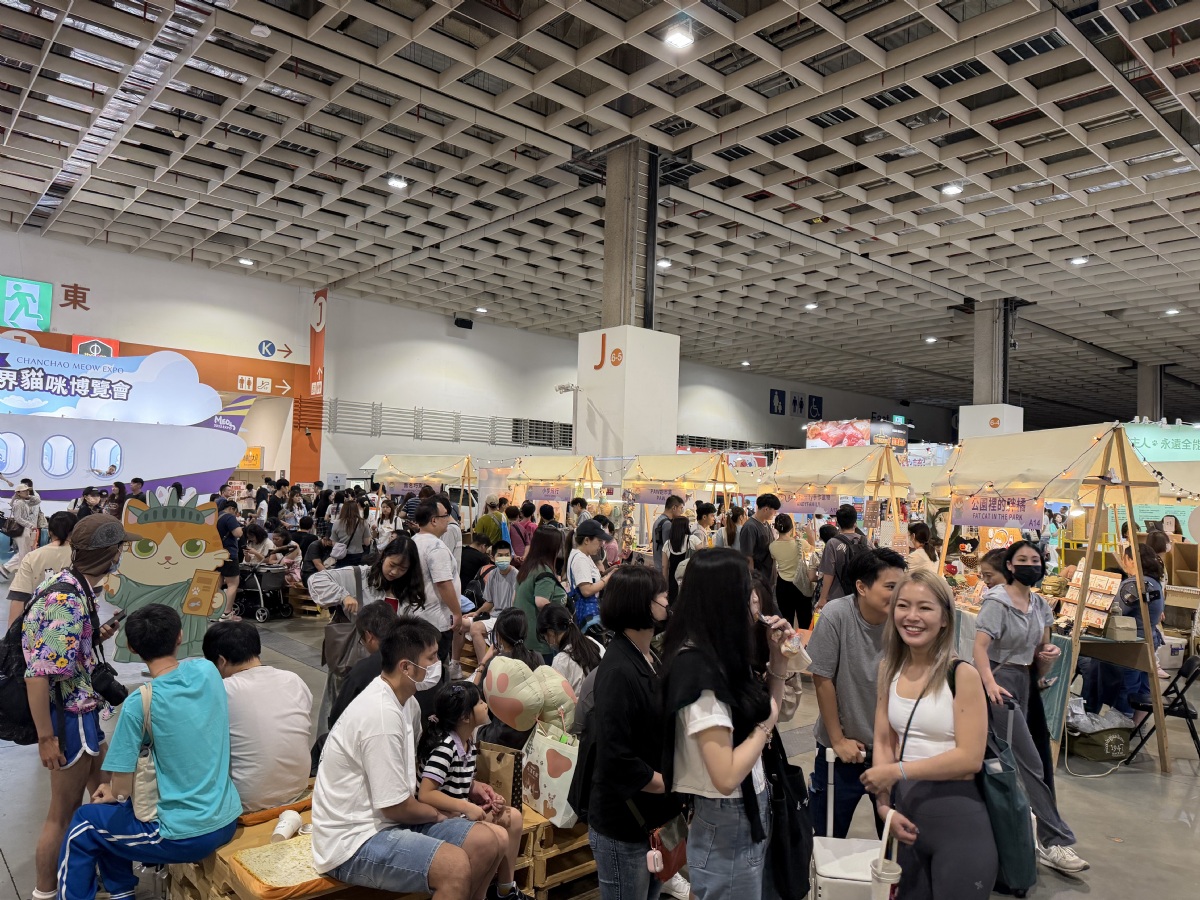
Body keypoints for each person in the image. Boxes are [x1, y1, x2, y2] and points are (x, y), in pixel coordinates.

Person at [57, 604, 241, 900]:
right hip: (227, 818)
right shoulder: (207, 671)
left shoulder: (139, 703)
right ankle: (121, 895)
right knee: (110, 820)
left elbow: (121, 789)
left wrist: (110, 790)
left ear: (131, 647)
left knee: (85, 824)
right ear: (180, 636)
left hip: (181, 835)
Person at [311, 618, 505, 897]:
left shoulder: (408, 703)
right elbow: (395, 807)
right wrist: (443, 813)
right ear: (406, 667)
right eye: (431, 658)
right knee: (454, 866)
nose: (438, 664)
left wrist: (467, 789)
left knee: (489, 840)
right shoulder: (381, 716)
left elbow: (413, 777)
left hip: (391, 819)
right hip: (354, 839)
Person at [661, 549, 789, 899]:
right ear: (724, 600)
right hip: (728, 812)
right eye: (746, 590)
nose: (755, 600)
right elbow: (726, 775)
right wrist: (764, 728)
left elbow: (768, 710)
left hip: (744, 807)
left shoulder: (720, 655)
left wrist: (778, 661)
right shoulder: (700, 672)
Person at [860, 571, 996, 898]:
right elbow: (884, 740)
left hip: (959, 823)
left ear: (945, 618)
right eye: (903, 606)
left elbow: (970, 758)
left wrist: (897, 771)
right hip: (905, 817)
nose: (912, 616)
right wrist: (883, 807)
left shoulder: (961, 674)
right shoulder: (889, 668)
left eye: (925, 608)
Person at [21, 514, 132, 900]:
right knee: (62, 813)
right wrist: (46, 738)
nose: (122, 555)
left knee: (106, 791)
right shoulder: (67, 599)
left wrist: (93, 636)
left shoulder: (67, 584)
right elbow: (37, 675)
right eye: (121, 548)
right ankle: (46, 892)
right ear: (110, 553)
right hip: (69, 718)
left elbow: (60, 650)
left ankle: (97, 874)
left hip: (81, 712)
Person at [570, 565, 685, 900]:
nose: (667, 602)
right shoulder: (619, 670)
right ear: (640, 604)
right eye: (661, 595)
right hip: (625, 823)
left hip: (655, 817)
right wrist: (669, 782)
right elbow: (616, 757)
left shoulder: (649, 655)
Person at [972, 540, 1087, 874]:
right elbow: (980, 648)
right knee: (1029, 762)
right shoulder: (997, 601)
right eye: (1021, 559)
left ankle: (1023, 834)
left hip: (1026, 681)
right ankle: (1054, 840)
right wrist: (989, 684)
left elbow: (1040, 650)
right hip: (1000, 683)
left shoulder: (1039, 604)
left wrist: (1048, 656)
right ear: (1010, 565)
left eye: (1035, 559)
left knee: (1021, 763)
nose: (1029, 565)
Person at [807, 547, 907, 838]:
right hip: (842, 754)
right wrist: (838, 740)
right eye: (891, 587)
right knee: (826, 839)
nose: (899, 596)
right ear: (862, 587)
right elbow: (822, 678)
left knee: (895, 844)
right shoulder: (837, 615)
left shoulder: (905, 620)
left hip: (893, 756)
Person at [417, 681, 532, 900]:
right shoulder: (445, 747)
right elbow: (426, 794)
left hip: (458, 813)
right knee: (498, 836)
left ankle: (505, 890)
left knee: (514, 818)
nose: (485, 704)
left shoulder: (467, 741)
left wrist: (479, 789)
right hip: (439, 820)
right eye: (479, 702)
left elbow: (457, 778)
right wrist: (466, 806)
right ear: (464, 717)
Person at [202, 621, 313, 812]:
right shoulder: (293, 679)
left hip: (247, 801)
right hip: (297, 789)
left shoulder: (223, 690)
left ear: (221, 661)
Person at [1083, 543, 1165, 726]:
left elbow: (1113, 609)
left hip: (1128, 645)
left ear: (1130, 559)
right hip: (1146, 641)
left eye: (1124, 558)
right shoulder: (1154, 583)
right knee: (1139, 687)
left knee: (1123, 687)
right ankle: (1130, 727)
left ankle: (1118, 729)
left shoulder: (1135, 584)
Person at [472, 608, 546, 749]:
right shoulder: (537, 658)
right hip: (531, 736)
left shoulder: (495, 663)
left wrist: (483, 662)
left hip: (500, 738)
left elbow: (474, 698)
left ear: (499, 636)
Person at [329, 601, 401, 729]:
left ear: (369, 636)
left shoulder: (362, 671)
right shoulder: (414, 655)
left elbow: (337, 718)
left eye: (361, 640)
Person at [407, 500, 462, 665]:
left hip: (415, 616)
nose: (449, 519)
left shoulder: (413, 541)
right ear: (433, 520)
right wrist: (457, 613)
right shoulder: (436, 547)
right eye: (445, 515)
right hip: (435, 621)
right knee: (434, 668)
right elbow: (443, 583)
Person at [6, 510, 75, 627]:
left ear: (49, 532)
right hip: (74, 623)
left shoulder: (33, 557)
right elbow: (96, 591)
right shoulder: (83, 557)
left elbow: (19, 596)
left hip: (39, 623)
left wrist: (10, 633)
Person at [514, 526, 568, 661]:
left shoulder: (528, 568)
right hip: (540, 641)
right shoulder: (543, 571)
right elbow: (541, 602)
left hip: (523, 635)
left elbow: (514, 598)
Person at [467, 541, 518, 662]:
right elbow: (490, 602)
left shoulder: (516, 575)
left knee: (475, 628)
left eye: (506, 555)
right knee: (461, 623)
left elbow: (516, 605)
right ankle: (455, 663)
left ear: (511, 557)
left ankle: (482, 667)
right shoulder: (493, 574)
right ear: (492, 557)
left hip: (507, 618)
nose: (504, 558)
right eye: (500, 555)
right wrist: (477, 612)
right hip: (493, 616)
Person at [537, 604, 603, 695]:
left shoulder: (561, 661)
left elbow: (557, 696)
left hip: (580, 703)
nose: (547, 641)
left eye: (545, 637)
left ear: (551, 633)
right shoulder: (593, 643)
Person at [817, 503, 866, 608]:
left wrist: (823, 598)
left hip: (837, 597)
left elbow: (829, 573)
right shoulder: (865, 541)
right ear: (855, 522)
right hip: (861, 596)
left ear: (837, 523)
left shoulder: (832, 543)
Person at [770, 513, 813, 629]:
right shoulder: (800, 543)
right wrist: (810, 534)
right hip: (801, 584)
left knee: (786, 620)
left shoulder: (772, 546)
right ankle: (803, 640)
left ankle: (788, 639)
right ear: (791, 527)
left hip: (783, 586)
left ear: (776, 528)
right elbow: (812, 549)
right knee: (804, 620)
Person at [569, 518, 614, 607]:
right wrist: (608, 578)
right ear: (586, 540)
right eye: (599, 540)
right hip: (585, 610)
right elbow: (587, 591)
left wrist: (611, 571)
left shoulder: (584, 555)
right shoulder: (580, 559)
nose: (601, 544)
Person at [2, 480, 41, 579]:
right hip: (22, 530)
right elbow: (18, 518)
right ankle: (20, 575)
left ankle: (7, 569)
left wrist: (28, 496)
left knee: (25, 552)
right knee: (24, 554)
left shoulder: (24, 501)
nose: (27, 492)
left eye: (27, 490)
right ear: (18, 493)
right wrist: (30, 525)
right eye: (24, 491)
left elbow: (37, 501)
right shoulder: (19, 503)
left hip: (25, 529)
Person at [215, 499, 243, 622]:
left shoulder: (215, 516)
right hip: (229, 554)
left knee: (218, 583)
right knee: (232, 584)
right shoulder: (229, 517)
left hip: (215, 554)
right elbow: (238, 533)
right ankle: (226, 613)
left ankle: (215, 612)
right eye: (236, 512)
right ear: (232, 509)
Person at [739, 494, 781, 575]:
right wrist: (752, 578)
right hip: (759, 576)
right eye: (774, 510)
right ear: (766, 509)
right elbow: (747, 556)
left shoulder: (765, 523)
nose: (776, 513)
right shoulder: (750, 527)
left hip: (769, 574)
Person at [662, 517, 693, 604]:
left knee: (674, 605)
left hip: (673, 582)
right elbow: (702, 556)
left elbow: (664, 566)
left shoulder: (668, 544)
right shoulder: (692, 540)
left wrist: (665, 586)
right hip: (690, 580)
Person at [332, 496, 369, 568]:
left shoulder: (337, 523)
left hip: (342, 555)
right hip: (358, 555)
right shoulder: (363, 522)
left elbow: (334, 543)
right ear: (356, 509)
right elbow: (367, 542)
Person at [651, 495, 683, 571]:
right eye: (681, 508)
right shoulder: (667, 524)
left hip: (658, 564)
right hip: (664, 568)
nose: (681, 512)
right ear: (674, 508)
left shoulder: (658, 520)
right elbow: (668, 548)